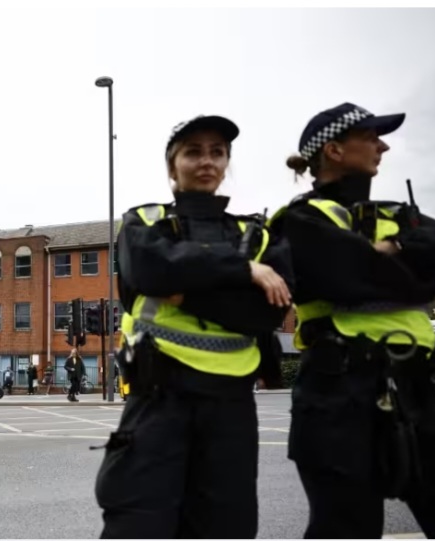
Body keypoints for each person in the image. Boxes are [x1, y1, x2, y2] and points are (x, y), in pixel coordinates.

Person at [94, 115, 294, 539]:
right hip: (158, 398)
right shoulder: (143, 223)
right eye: (193, 152)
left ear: (226, 164)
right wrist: (243, 272)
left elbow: (268, 312)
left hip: (231, 406)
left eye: (217, 152)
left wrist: (185, 285)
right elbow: (150, 270)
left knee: (226, 527)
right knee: (138, 523)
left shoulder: (256, 234)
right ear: (172, 166)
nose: (206, 161)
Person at [268, 102, 435, 539]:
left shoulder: (397, 216)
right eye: (371, 137)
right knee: (345, 528)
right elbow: (344, 277)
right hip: (336, 395)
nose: (383, 146)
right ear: (333, 149)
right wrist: (414, 267)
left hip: (415, 390)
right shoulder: (298, 219)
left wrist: (398, 249)